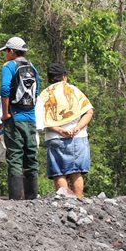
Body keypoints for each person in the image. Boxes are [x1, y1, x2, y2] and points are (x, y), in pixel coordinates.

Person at [39, 62, 94, 198]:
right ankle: (79, 201)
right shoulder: (74, 90)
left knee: (59, 173)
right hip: (78, 137)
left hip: (55, 138)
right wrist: (77, 127)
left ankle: (64, 203)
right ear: (64, 76)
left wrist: (58, 129)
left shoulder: (44, 95)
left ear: (49, 78)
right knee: (76, 172)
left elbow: (40, 119)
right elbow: (89, 111)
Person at [0, 36, 40, 200]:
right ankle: (32, 197)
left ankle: (16, 198)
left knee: (15, 156)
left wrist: (5, 113)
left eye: (5, 52)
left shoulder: (9, 66)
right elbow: (36, 93)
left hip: (14, 117)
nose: (5, 55)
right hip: (30, 119)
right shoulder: (33, 67)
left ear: (11, 51)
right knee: (31, 156)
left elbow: (4, 89)